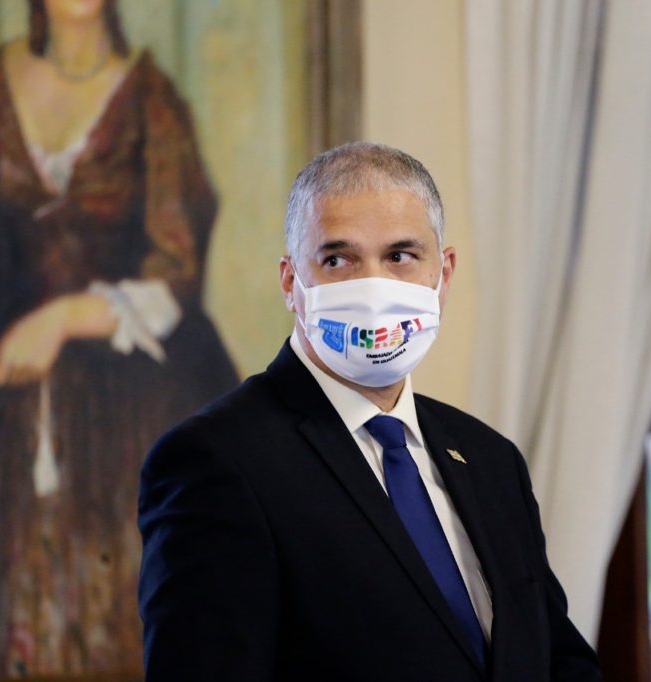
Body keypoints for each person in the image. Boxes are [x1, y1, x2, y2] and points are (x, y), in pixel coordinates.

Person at [138, 142, 601, 681]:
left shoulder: (491, 459)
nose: (374, 288)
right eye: (338, 260)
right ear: (291, 282)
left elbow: (558, 659)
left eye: (400, 256)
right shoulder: (214, 461)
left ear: (444, 274)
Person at [0, 0, 236, 678]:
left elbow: (174, 273)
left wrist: (65, 318)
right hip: (5, 390)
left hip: (129, 393)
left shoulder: (151, 99)